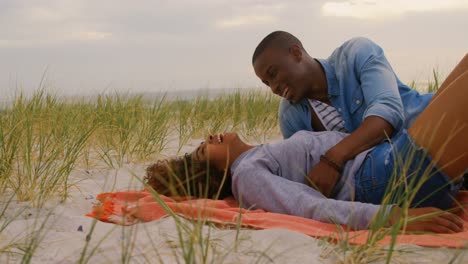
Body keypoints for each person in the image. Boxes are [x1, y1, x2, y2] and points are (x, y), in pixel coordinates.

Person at [145, 55, 467, 233]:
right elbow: (309, 206)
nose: (210, 137)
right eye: (205, 149)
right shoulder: (246, 176)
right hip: (388, 175)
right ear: (217, 171)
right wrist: (396, 218)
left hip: (388, 161)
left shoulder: (260, 154)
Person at [251, 31, 434, 197]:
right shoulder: (290, 116)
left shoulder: (356, 53)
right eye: (267, 83)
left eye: (273, 74)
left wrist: (333, 158)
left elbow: (388, 112)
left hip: (436, 126)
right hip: (403, 174)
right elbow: (306, 166)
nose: (273, 88)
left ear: (296, 53)